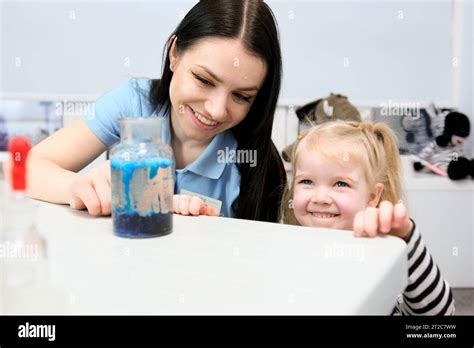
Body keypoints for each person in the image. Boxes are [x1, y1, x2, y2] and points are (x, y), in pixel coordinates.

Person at [9, 0, 286, 222]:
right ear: (174, 52)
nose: (216, 110)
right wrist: (80, 188)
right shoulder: (134, 103)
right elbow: (25, 168)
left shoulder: (256, 163)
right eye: (204, 80)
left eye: (241, 96)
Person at [281, 121, 455, 315]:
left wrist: (406, 240)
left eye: (340, 184)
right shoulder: (287, 249)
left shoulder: (381, 252)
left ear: (372, 196)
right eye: (307, 181)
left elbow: (440, 316)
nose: (320, 198)